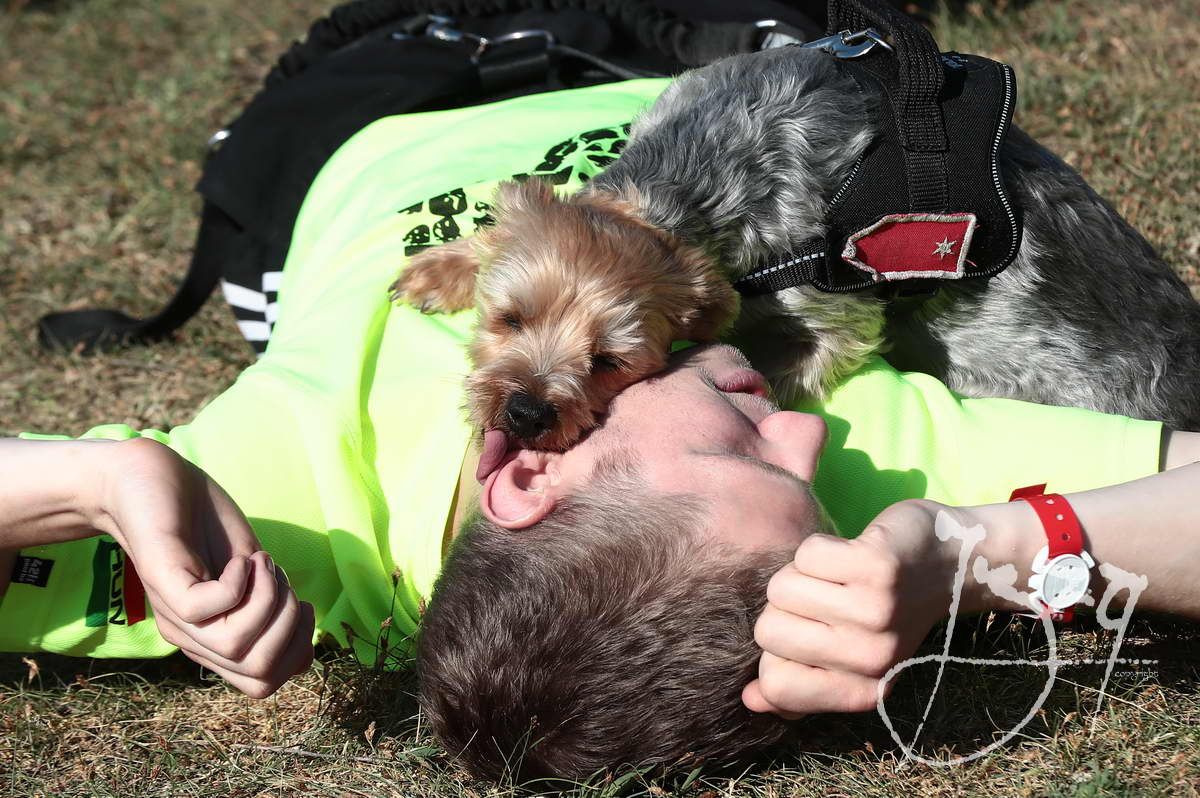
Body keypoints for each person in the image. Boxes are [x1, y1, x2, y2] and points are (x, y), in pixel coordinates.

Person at [1, 78, 1197, 774]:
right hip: (709, 69)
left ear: (528, 478)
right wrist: (982, 549)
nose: (803, 436)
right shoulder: (842, 448)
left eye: (740, 444)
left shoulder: (269, 532)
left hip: (383, 93)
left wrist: (96, 481)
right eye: (814, 493)